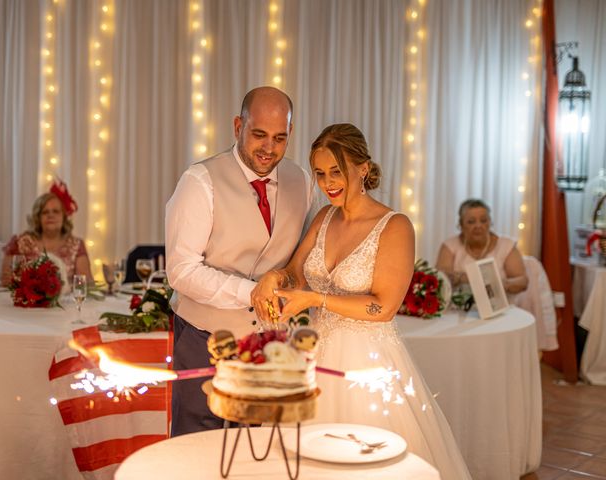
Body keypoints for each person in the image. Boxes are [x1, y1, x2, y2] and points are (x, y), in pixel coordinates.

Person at [252, 123, 471, 479]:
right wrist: (273, 278)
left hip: (367, 361)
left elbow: (383, 308)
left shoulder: (395, 226)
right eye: (320, 174)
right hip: (313, 356)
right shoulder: (324, 218)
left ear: (363, 168)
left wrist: (313, 298)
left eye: (336, 172)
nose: (328, 184)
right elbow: (295, 271)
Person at [165, 86, 313, 436]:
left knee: (256, 449)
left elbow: (302, 258)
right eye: (259, 134)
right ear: (237, 127)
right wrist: (252, 293)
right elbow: (182, 271)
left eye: (279, 138)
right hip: (205, 339)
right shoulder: (200, 181)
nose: (268, 148)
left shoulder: (302, 181)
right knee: (198, 447)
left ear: (290, 133)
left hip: (270, 345)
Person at [1, 180, 93, 287]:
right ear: (38, 217)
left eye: (56, 211)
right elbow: (6, 281)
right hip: (28, 303)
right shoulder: (21, 242)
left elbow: (86, 285)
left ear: (64, 216)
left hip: (67, 303)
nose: (50, 215)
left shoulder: (76, 245)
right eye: (45, 212)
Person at [435, 198, 528, 296]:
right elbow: (441, 279)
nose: (478, 226)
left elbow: (522, 281)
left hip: (502, 307)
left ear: (490, 223)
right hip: (459, 308)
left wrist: (502, 285)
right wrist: (478, 279)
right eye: (471, 222)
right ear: (461, 225)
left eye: (483, 221)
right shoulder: (449, 246)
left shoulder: (506, 246)